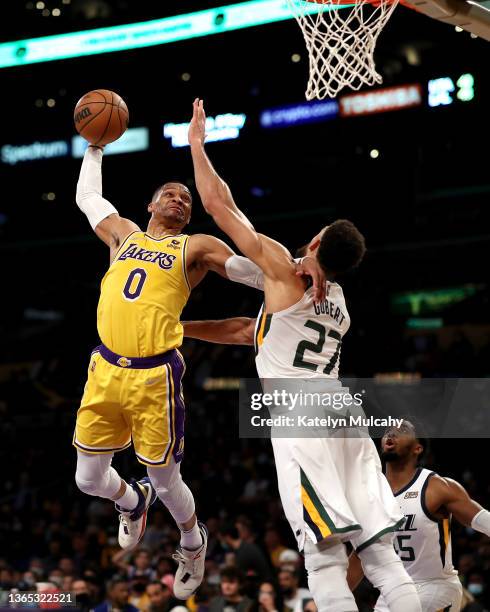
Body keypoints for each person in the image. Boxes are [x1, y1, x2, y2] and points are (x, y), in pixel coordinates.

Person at [184, 98, 422, 612]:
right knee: (381, 555)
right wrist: (183, 329)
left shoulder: (284, 272)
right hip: (342, 409)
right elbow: (255, 330)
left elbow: (220, 207)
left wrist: (198, 146)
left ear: (315, 240)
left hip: (300, 410)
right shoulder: (337, 302)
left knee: (323, 558)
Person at [72, 129, 252, 598]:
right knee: (87, 479)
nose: (179, 199)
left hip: (156, 374)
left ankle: (193, 542)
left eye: (186, 198)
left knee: (165, 478)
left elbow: (246, 271)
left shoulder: (195, 247)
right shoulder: (122, 234)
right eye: (169, 194)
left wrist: (291, 269)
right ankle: (131, 504)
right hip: (106, 368)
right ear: (151, 205)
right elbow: (88, 195)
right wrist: (94, 146)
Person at [348, 420, 490, 611]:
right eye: (388, 430)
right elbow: (362, 554)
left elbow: (484, 520)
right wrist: (332, 597)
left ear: (417, 448)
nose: (391, 434)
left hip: (435, 587)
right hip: (393, 591)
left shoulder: (437, 487)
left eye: (402, 430)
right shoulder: (371, 494)